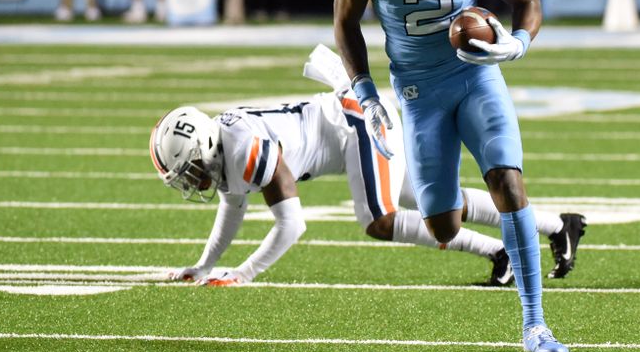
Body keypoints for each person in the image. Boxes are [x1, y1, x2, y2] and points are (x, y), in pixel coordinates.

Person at [331, 0, 569, 352]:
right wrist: (366, 92)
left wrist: (516, 42)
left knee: (508, 179)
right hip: (417, 92)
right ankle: (501, 219)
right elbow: (345, 23)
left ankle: (535, 324)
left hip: (474, 75)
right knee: (442, 221)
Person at [150, 45, 587, 287]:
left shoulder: (244, 147)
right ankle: (555, 226)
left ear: (204, 147)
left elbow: (292, 225)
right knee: (430, 200)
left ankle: (502, 250)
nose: (191, 181)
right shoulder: (224, 149)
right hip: (346, 128)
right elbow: (232, 206)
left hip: (353, 121)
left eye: (188, 170)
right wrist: (204, 265)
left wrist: (244, 274)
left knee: (379, 219)